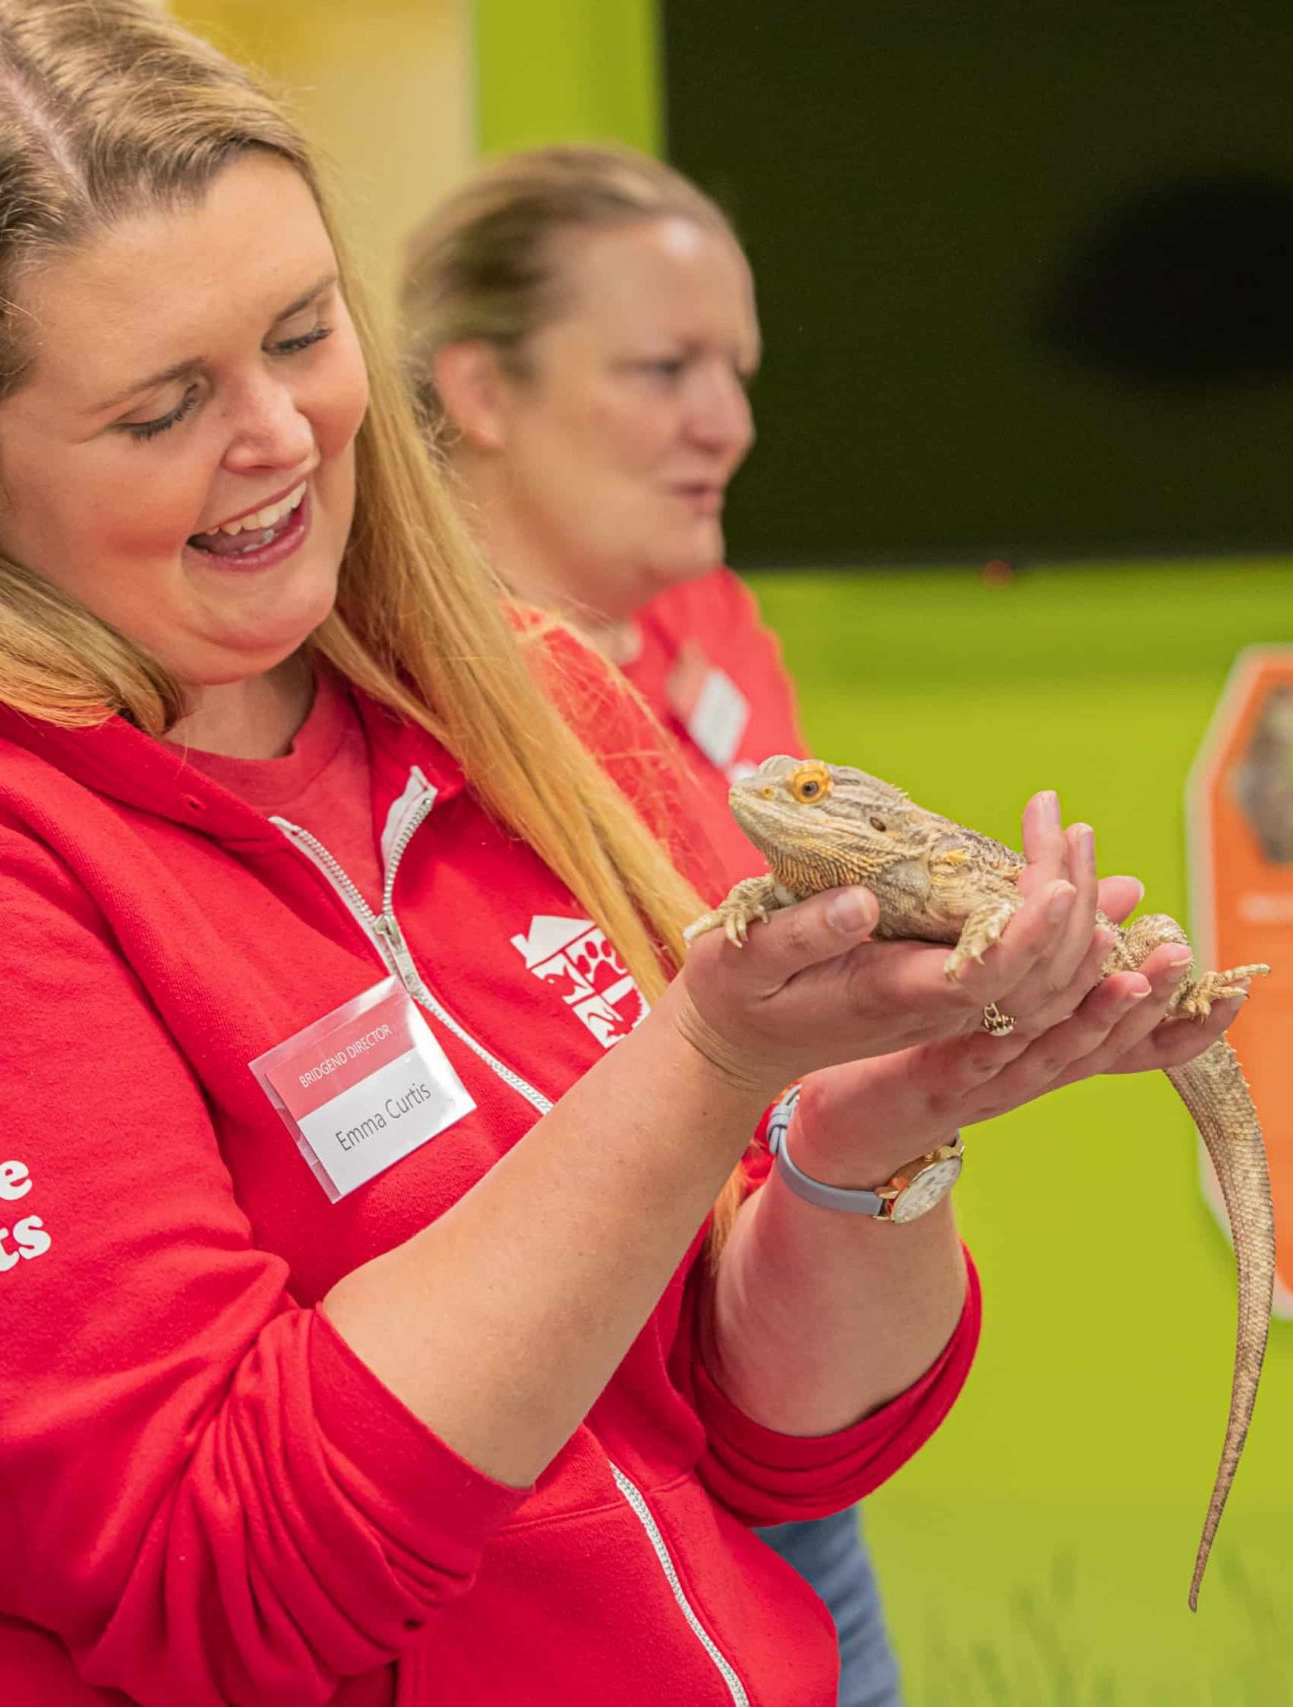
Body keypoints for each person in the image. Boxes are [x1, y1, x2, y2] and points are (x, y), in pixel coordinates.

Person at [0, 5, 1235, 1702]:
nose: (280, 435)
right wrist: (708, 1064)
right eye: (160, 409)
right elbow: (222, 1580)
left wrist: (863, 1133)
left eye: (302, 334)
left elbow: (769, 1440)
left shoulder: (518, 702)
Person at [400, 144, 1227, 1702]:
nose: (731, 421)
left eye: (738, 369)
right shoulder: (403, 707)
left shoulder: (707, 617)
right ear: (482, 393)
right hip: (575, 1440)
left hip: (790, 1367)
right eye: (663, 369)